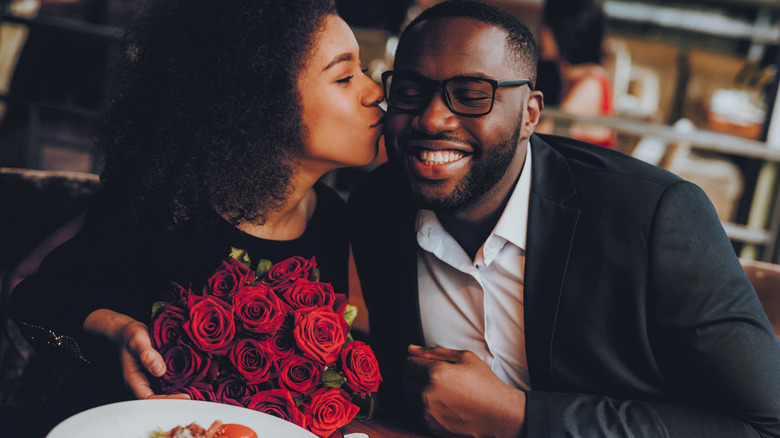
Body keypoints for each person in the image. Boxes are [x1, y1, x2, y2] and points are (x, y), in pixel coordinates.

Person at [347, 1, 780, 437]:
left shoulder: (655, 218)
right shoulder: (378, 206)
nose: (432, 117)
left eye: (473, 95)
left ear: (529, 114)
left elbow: (765, 424)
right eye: (408, 92)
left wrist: (518, 417)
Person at [7, 0, 383, 434]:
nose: (374, 91)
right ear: (262, 101)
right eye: (344, 76)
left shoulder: (333, 219)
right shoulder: (168, 204)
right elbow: (24, 290)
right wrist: (113, 329)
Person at [535, 0, 616, 148]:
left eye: (547, 25)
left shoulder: (590, 84)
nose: (541, 32)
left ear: (564, 31)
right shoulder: (568, 76)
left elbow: (540, 134)